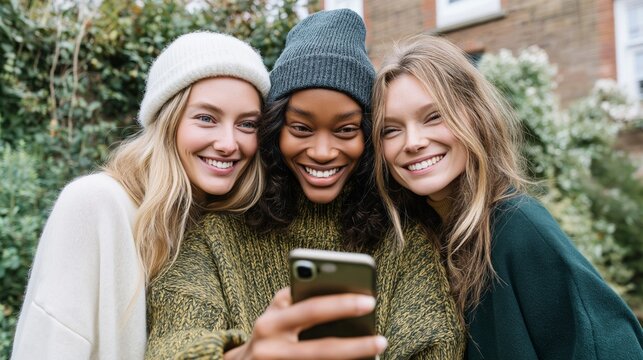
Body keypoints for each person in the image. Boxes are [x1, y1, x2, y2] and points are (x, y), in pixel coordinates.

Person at [145, 10, 465, 359]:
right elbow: (171, 346)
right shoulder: (215, 235)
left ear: (369, 138)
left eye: (346, 130)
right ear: (274, 130)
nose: (324, 152)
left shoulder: (403, 241)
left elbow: (436, 347)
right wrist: (248, 355)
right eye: (301, 128)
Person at [371, 34, 643, 360]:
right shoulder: (417, 241)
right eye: (391, 129)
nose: (412, 141)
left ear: (475, 114)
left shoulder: (518, 227)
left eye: (434, 116)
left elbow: (615, 347)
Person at [11, 31, 270, 359]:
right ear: (167, 121)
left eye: (247, 124)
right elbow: (51, 343)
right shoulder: (95, 203)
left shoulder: (228, 226)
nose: (229, 143)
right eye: (206, 118)